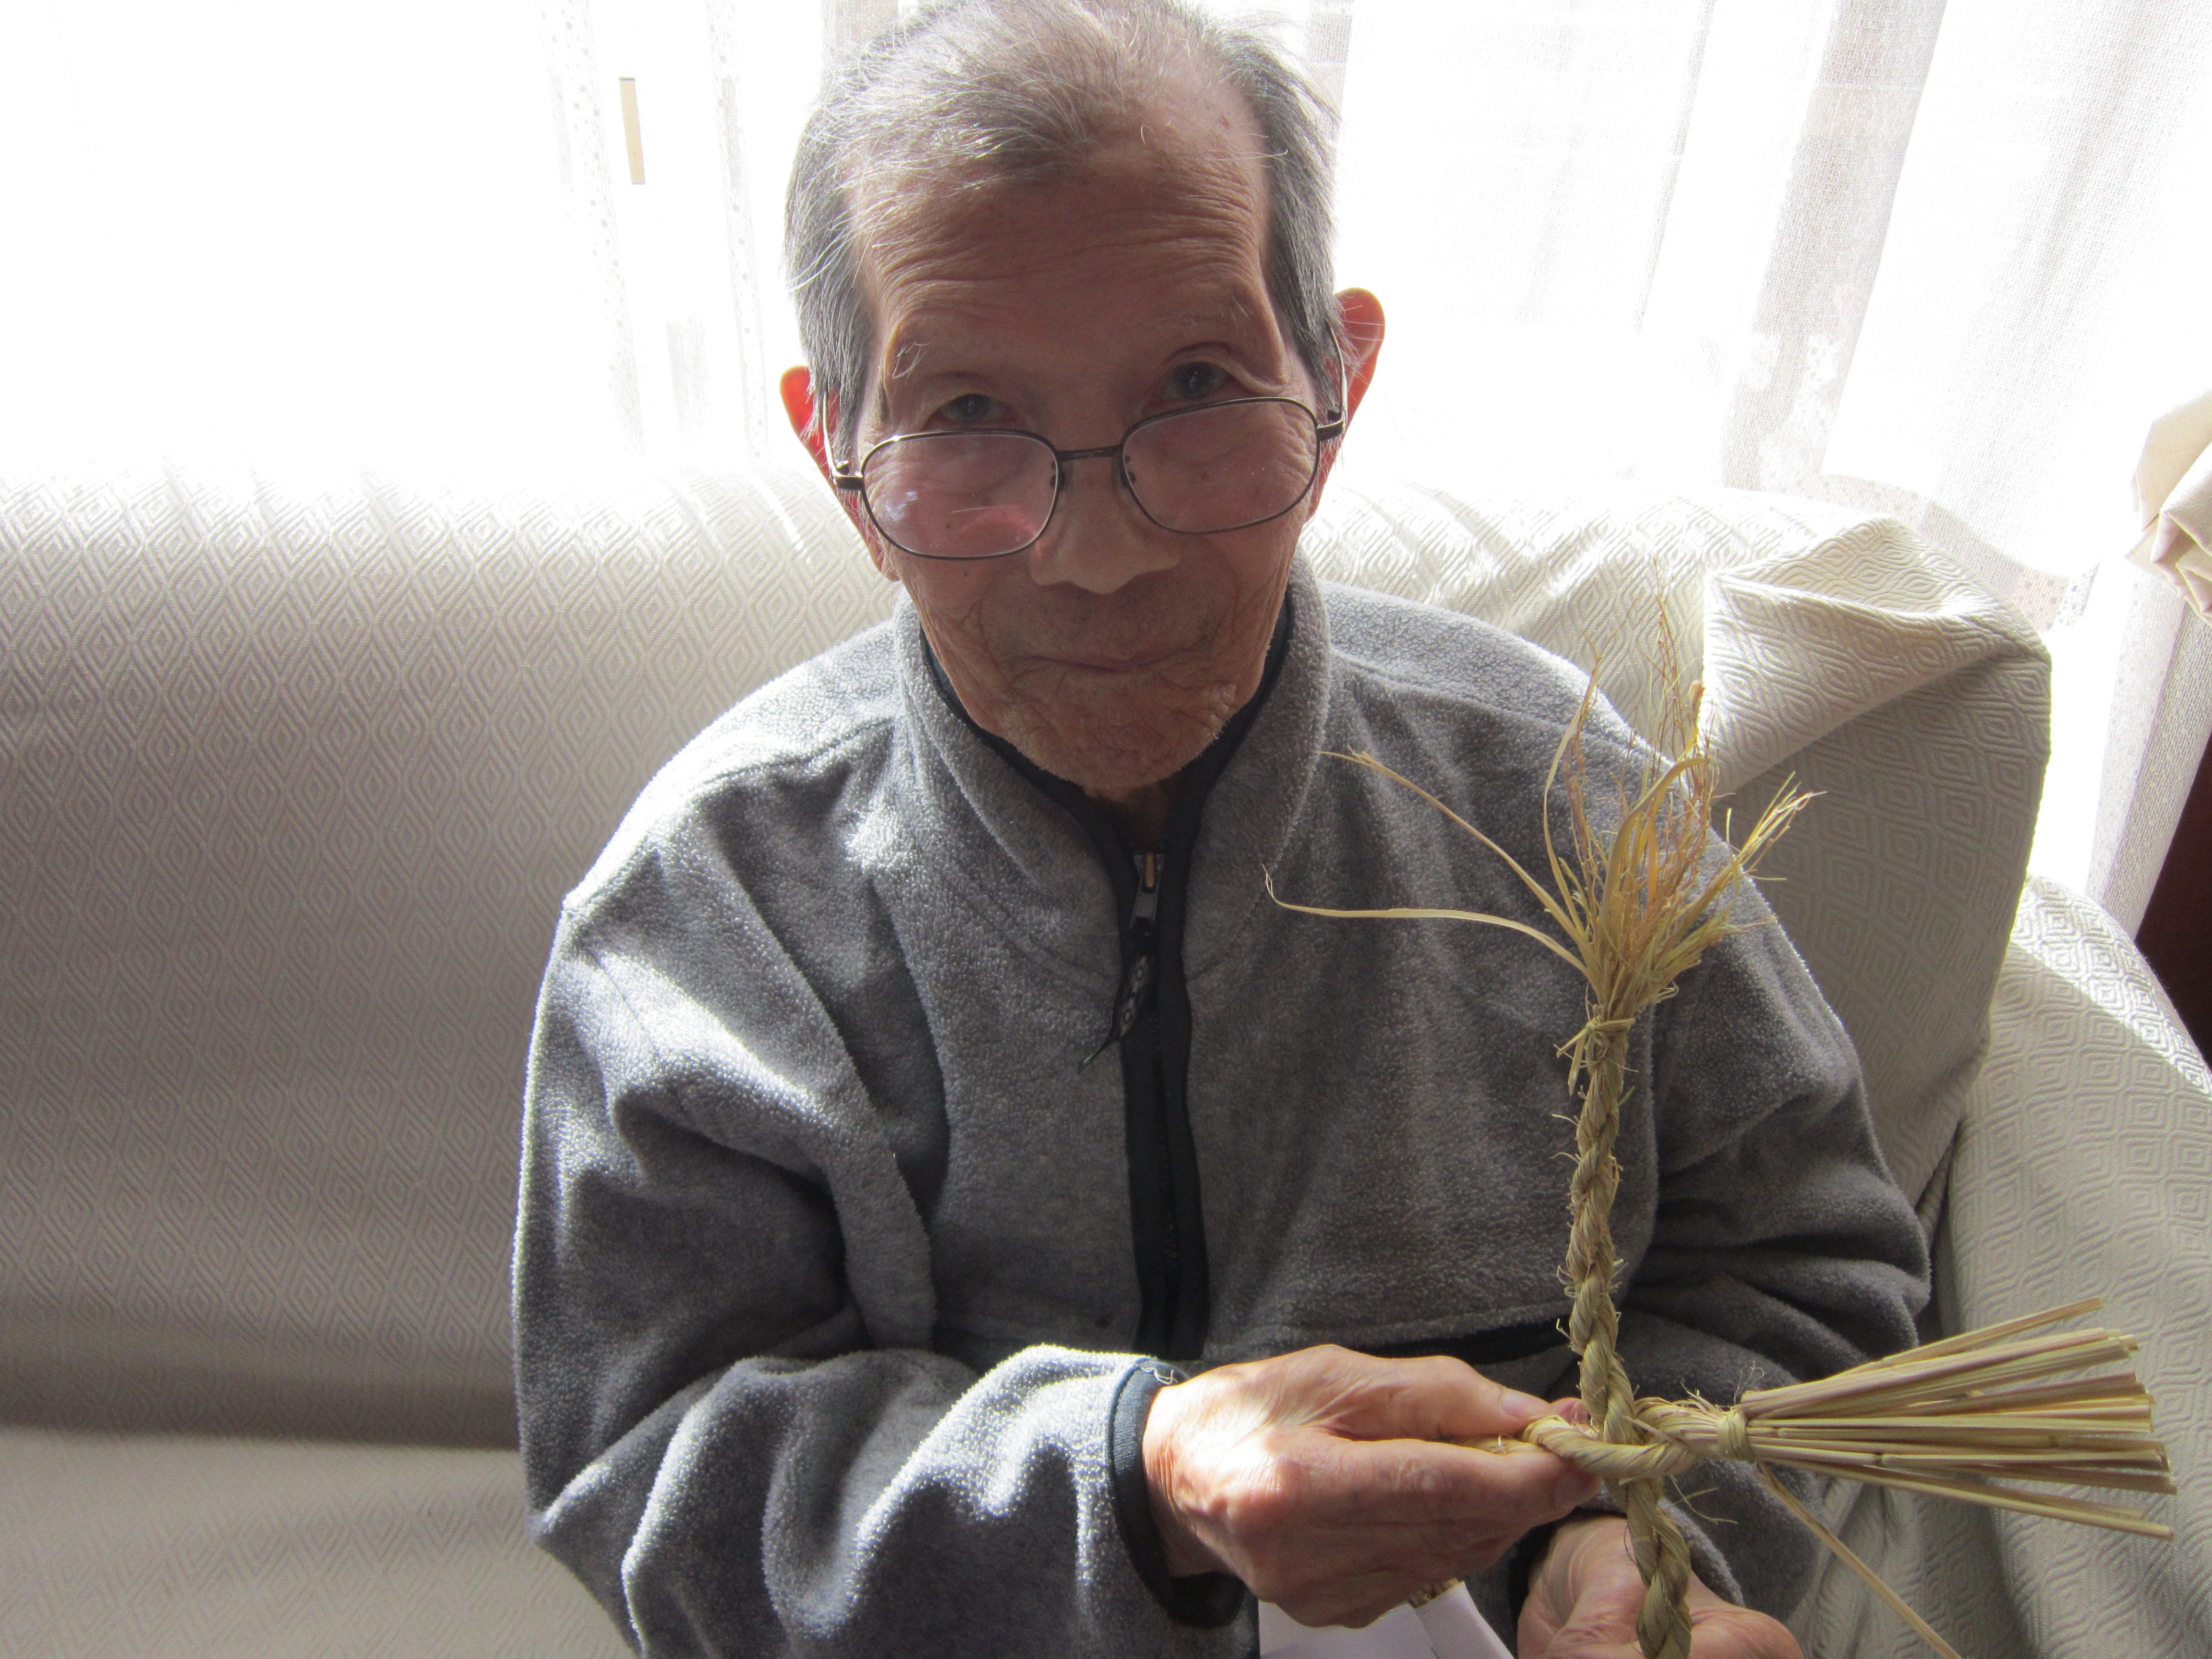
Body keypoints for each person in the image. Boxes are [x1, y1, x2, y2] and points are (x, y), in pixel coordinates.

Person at [512, 2, 1927, 1654]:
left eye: (1196, 385)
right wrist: (1140, 1482)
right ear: (840, 459)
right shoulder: (711, 918)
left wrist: (1631, 1544)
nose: (1099, 556)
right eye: (965, 415)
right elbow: (649, 1466)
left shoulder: (1563, 807)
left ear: (1337, 387)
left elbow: (1809, 1266)